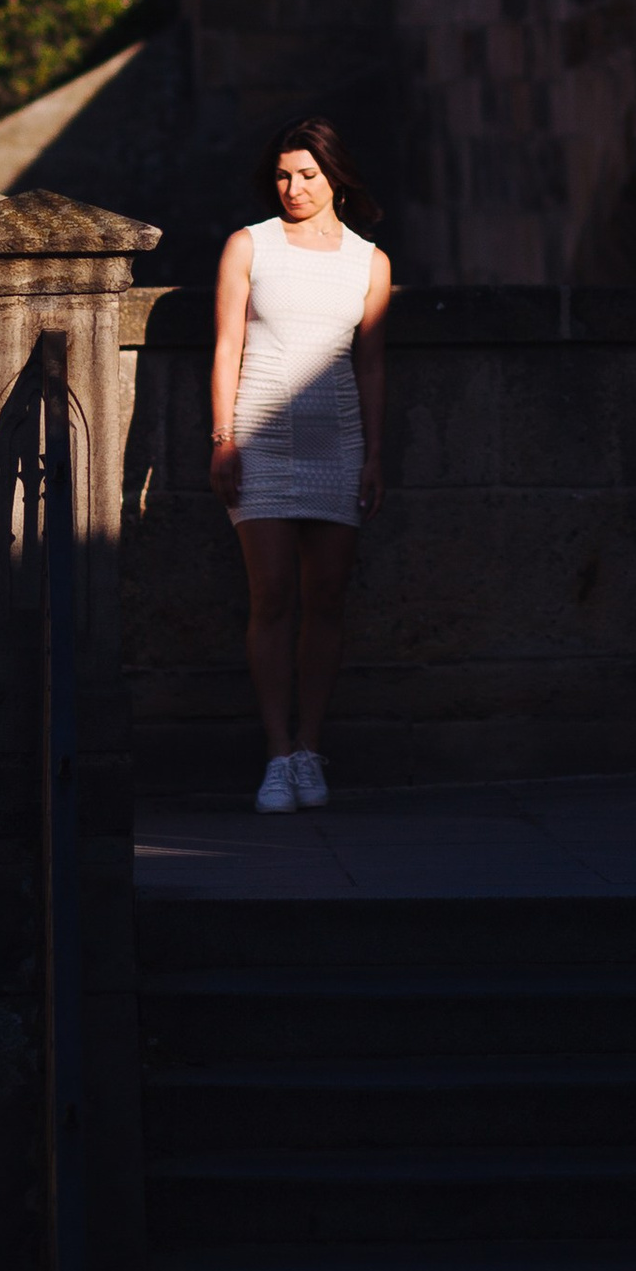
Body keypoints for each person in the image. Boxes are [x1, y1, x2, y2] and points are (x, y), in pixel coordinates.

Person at [209, 118, 392, 813]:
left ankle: (312, 749)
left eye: (308, 175)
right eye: (284, 176)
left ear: (335, 176)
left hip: (338, 442)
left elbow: (370, 364)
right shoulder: (248, 247)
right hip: (259, 437)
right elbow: (227, 347)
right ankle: (277, 753)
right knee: (273, 593)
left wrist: (374, 454)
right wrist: (222, 436)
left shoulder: (370, 262)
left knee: (327, 599)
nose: (294, 188)